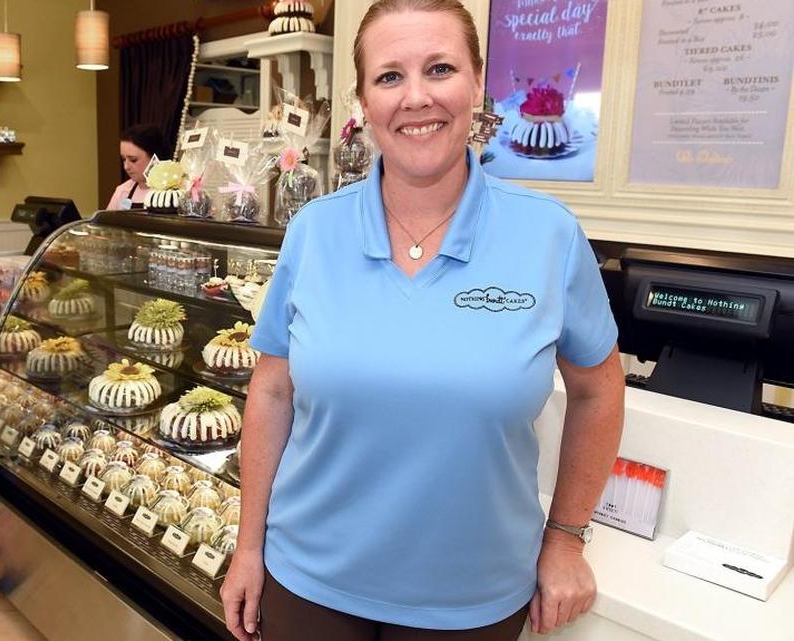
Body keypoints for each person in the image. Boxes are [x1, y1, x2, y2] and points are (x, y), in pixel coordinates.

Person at [219, 2, 625, 640]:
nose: (416, 98)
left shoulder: (549, 236)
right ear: (362, 99)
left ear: (477, 83)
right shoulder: (314, 231)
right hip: (307, 582)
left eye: (439, 69)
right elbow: (271, 390)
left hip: (474, 598)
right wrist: (248, 547)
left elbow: (599, 389)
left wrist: (566, 540)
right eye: (388, 77)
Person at [105, 123, 166, 210]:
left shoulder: (174, 193)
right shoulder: (122, 191)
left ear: (154, 158)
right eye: (123, 159)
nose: (126, 167)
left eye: (133, 160)